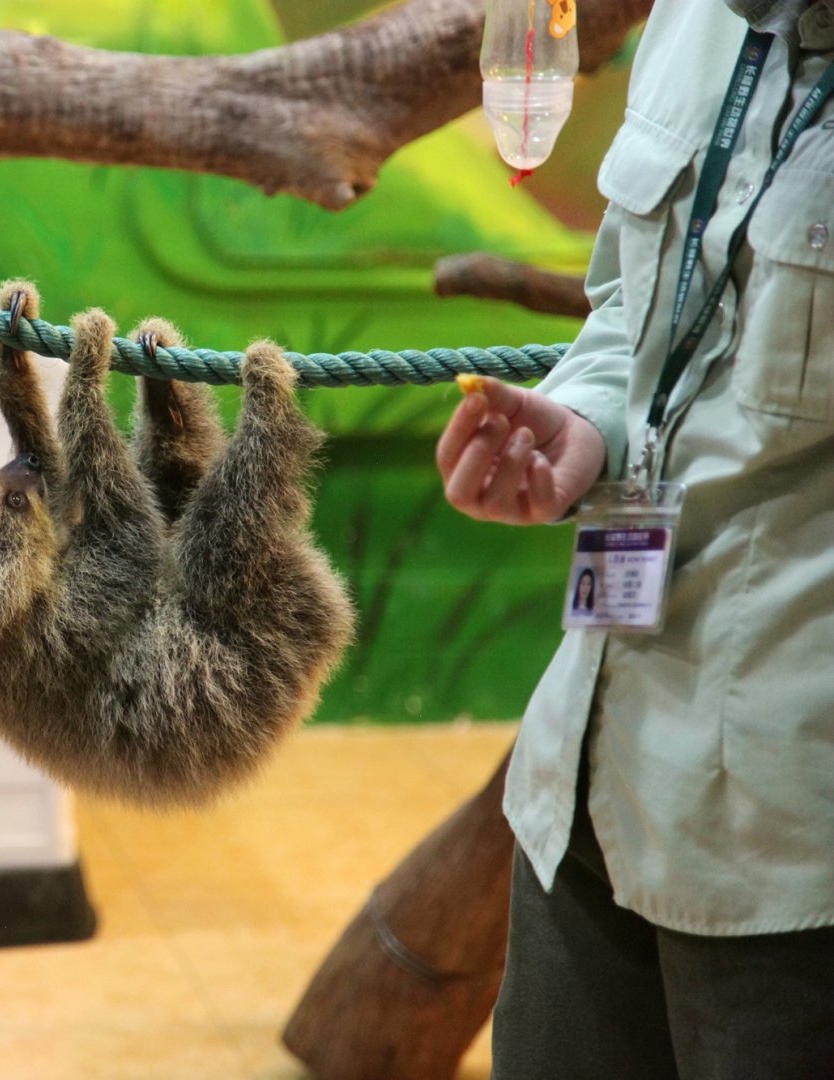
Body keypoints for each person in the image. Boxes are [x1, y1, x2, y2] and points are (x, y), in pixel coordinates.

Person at [435, 2, 834, 1077]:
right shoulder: (704, 21)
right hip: (588, 786)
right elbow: (630, 312)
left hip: (790, 856)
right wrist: (587, 426)